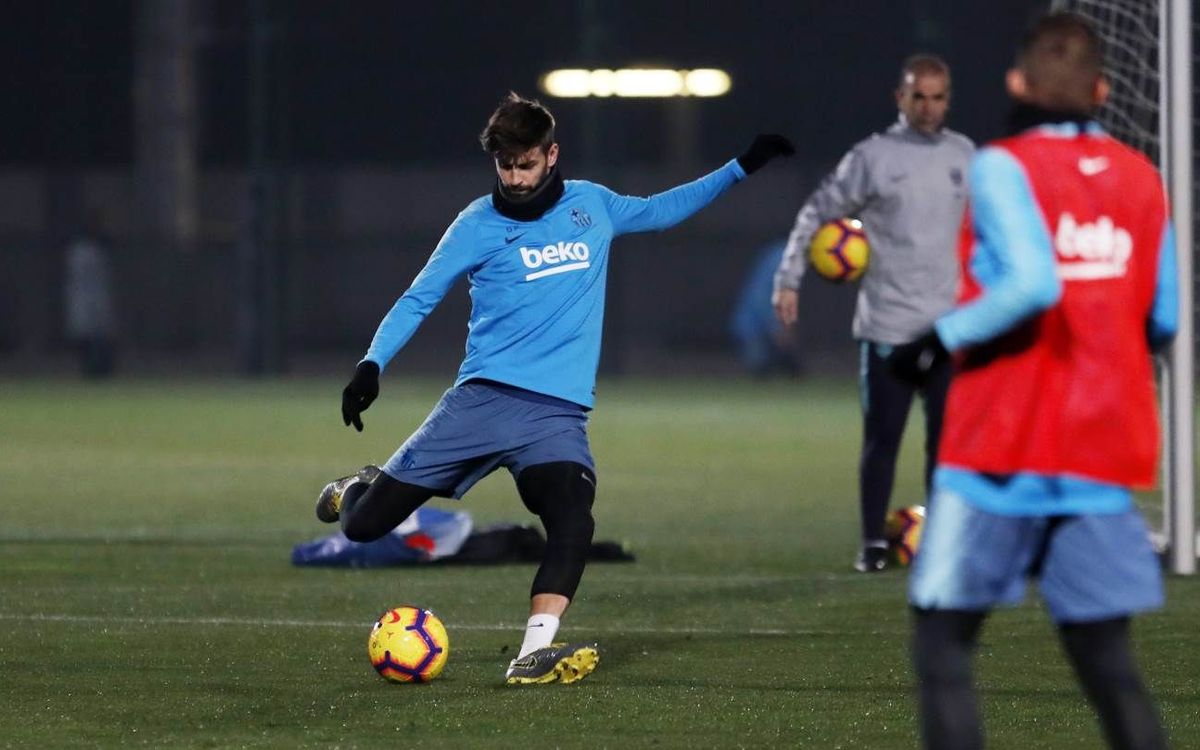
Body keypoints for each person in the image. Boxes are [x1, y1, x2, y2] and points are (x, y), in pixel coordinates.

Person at [316, 92, 793, 685]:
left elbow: (666, 209)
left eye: (525, 163)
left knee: (574, 521)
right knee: (363, 529)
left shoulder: (593, 207)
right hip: (481, 402)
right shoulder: (475, 224)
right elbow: (419, 297)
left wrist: (742, 164)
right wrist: (371, 364)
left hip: (554, 419)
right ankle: (360, 486)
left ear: (551, 154)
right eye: (505, 165)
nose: (515, 178)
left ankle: (532, 653)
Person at [891, 13, 1175, 749]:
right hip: (1097, 450)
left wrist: (934, 341)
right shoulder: (1143, 177)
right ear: (1104, 89)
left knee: (944, 645)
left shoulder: (1001, 165)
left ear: (1017, 84)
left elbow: (1031, 282)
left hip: (1001, 444)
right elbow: (1166, 315)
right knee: (1109, 664)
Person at [772, 54, 974, 572]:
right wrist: (789, 276)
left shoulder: (965, 155)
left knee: (946, 446)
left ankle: (946, 546)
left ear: (949, 99)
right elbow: (818, 212)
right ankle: (873, 544)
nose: (929, 107)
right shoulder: (873, 156)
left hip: (950, 327)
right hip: (889, 324)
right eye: (918, 96)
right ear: (900, 99)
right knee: (882, 440)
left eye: (938, 96)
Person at [729, 239, 801, 377]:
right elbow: (762, 300)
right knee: (760, 366)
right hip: (751, 329)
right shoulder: (781, 259)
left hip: (761, 327)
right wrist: (777, 329)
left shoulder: (779, 254)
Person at [64, 222, 117, 378]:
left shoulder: (95, 251)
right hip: (83, 297)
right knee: (85, 337)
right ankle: (89, 369)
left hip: (95, 297)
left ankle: (100, 370)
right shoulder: (79, 251)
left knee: (99, 337)